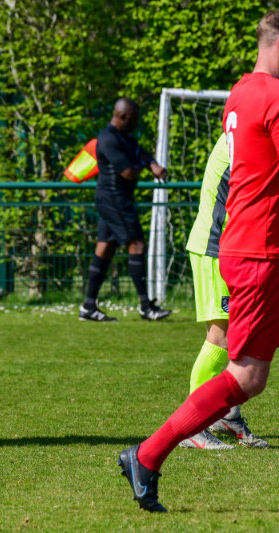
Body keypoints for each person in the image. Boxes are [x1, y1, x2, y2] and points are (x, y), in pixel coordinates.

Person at [118, 10, 279, 512]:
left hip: (250, 245)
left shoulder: (242, 91)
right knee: (244, 374)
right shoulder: (273, 97)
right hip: (259, 251)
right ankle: (148, 454)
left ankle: (149, 454)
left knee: (250, 374)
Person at [179, 132, 267, 450]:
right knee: (222, 338)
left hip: (234, 248)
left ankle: (226, 415)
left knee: (242, 337)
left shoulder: (250, 127)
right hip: (216, 248)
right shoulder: (246, 134)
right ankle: (191, 426)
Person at [78, 98, 172, 322]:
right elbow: (128, 172)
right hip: (114, 199)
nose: (136, 124)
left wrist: (152, 163)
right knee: (136, 244)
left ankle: (88, 306)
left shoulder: (125, 138)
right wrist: (144, 167)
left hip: (115, 199)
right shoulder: (108, 139)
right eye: (134, 119)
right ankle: (146, 307)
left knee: (105, 248)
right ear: (123, 117)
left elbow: (140, 152)